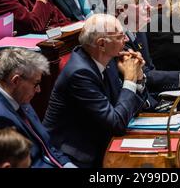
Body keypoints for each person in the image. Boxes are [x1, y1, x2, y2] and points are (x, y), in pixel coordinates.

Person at [43, 14, 148, 168]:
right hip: (76, 154)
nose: (126, 40)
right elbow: (116, 123)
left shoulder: (107, 60)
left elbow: (126, 110)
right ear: (101, 44)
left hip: (102, 138)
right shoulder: (80, 73)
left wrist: (138, 78)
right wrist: (130, 79)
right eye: (120, 36)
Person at [0, 48, 76, 168]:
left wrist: (66, 163)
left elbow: (46, 143)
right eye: (36, 83)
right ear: (16, 81)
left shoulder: (17, 96)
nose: (38, 90)